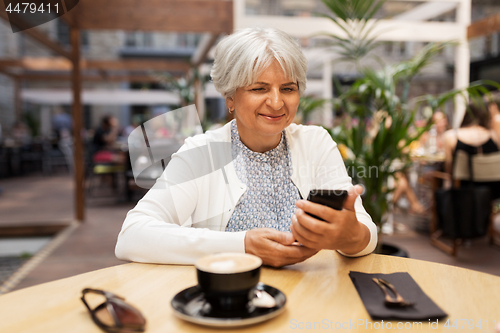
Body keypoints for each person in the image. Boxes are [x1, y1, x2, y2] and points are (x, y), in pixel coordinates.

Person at [115, 28, 377, 267]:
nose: (276, 103)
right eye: (259, 88)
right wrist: (243, 246)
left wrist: (351, 236)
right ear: (230, 97)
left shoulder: (315, 143)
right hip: (231, 301)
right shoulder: (202, 152)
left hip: (310, 298)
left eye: (287, 88)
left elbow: (365, 231)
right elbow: (132, 236)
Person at [443, 100, 500, 198]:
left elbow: (449, 169)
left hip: (463, 191)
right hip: (494, 192)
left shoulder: (451, 136)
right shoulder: (494, 136)